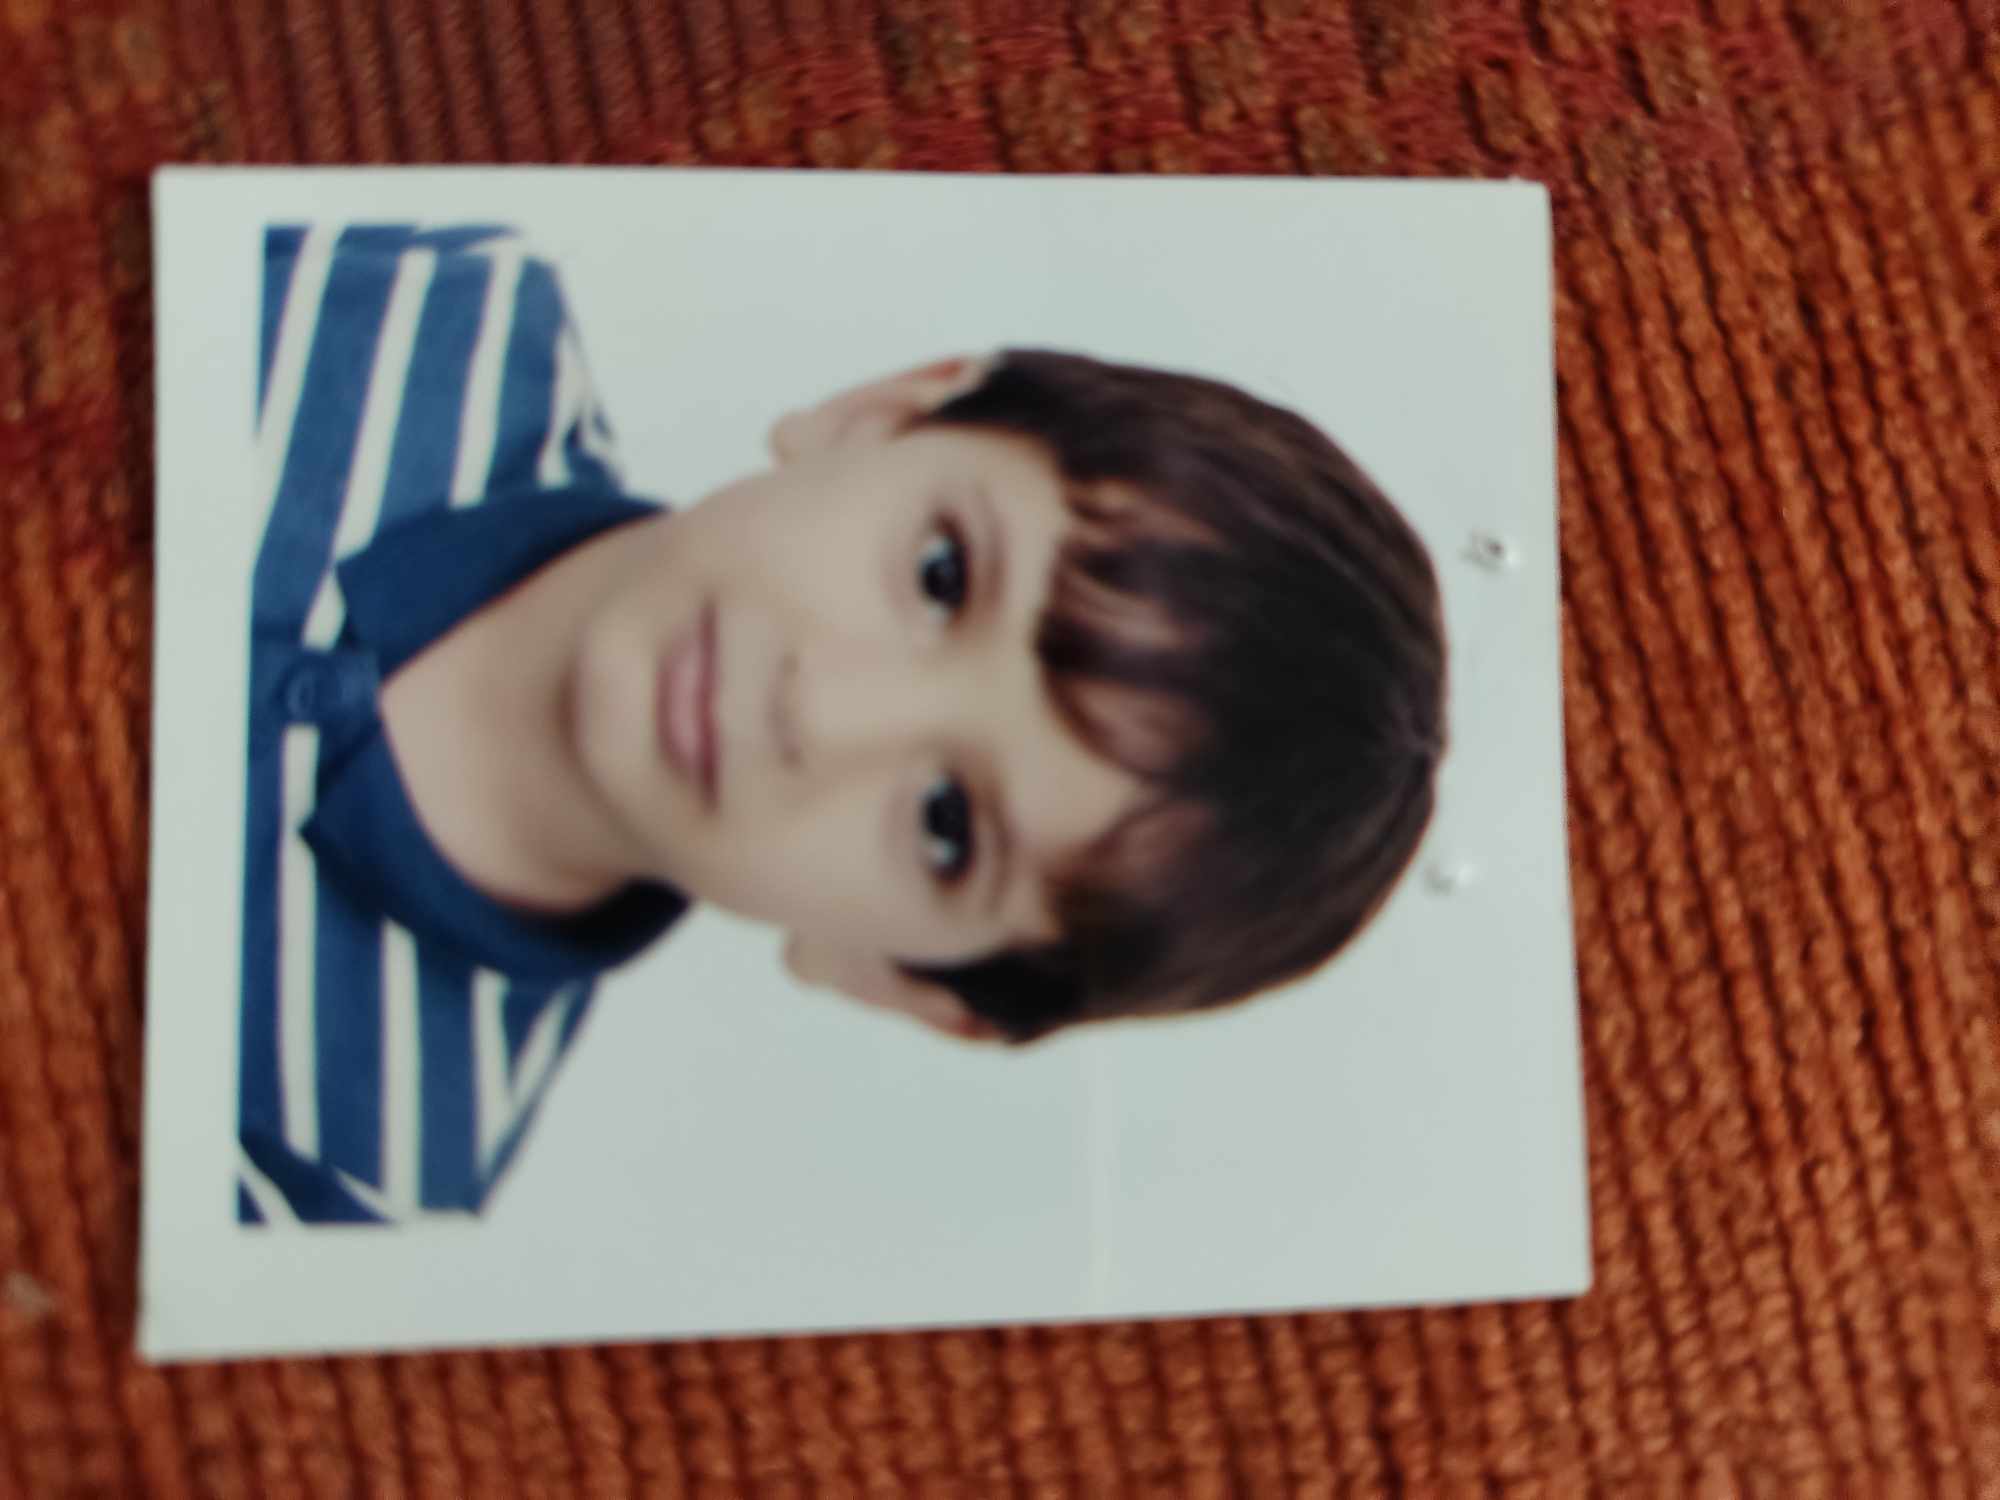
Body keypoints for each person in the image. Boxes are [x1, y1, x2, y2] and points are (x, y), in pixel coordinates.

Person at [237, 223, 1447, 1225]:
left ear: (903, 984)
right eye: (940, 575)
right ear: (883, 411)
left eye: (945, 824)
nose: (819, 710)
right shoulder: (413, 296)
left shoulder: (367, 1168)